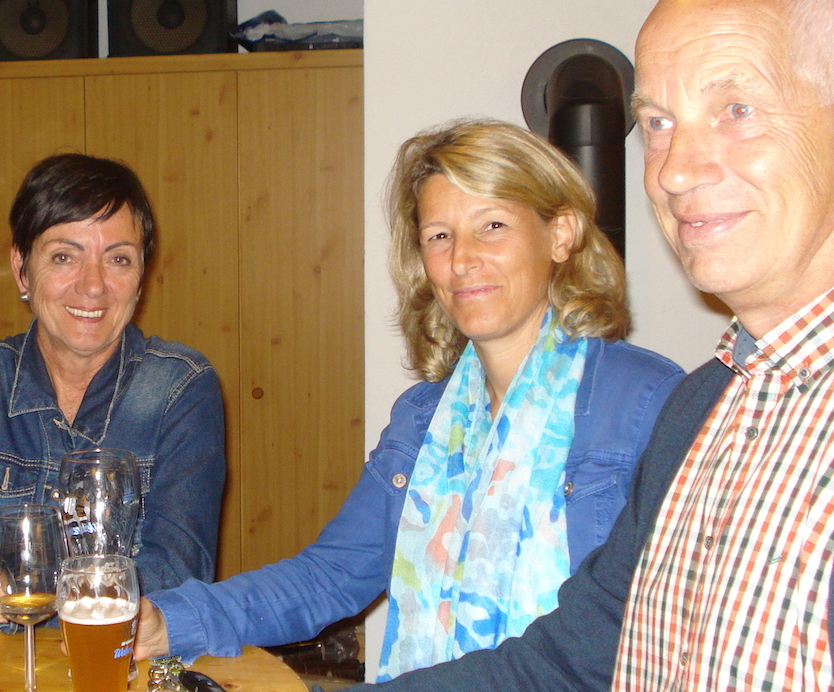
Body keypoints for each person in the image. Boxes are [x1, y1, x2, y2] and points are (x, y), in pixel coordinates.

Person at [363, 0, 834, 690]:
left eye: (736, 109)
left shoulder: (646, 397)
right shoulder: (704, 406)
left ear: (561, 236)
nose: (675, 170)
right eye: (658, 122)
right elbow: (567, 657)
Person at [134, 118, 684, 680]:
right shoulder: (422, 419)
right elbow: (329, 577)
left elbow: (641, 636)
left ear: (560, 234)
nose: (462, 259)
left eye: (492, 226)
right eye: (439, 236)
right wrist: (166, 622)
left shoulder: (651, 404)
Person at [0, 153, 225, 625]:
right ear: (21, 269)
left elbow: (178, 574)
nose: (93, 287)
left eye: (118, 259)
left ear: (140, 279)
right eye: (64, 257)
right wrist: (70, 588)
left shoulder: (180, 388)